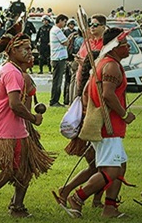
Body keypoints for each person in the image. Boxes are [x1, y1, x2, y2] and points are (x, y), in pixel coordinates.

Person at [0, 25, 53, 218]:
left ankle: (17, 207)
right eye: (27, 49)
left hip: (13, 128)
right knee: (9, 171)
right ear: (13, 50)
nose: (31, 52)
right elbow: (15, 104)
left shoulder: (9, 69)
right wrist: (33, 119)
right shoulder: (12, 72)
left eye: (31, 48)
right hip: (7, 129)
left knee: (25, 169)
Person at [65, 27, 135, 218]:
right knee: (111, 170)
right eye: (125, 44)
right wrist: (124, 114)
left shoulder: (102, 63)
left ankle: (109, 207)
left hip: (106, 124)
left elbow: (90, 91)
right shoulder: (110, 66)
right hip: (107, 126)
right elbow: (108, 94)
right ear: (114, 47)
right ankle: (77, 198)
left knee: (120, 166)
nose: (128, 48)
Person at [53, 50, 103, 209]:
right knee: (100, 167)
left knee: (98, 167)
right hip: (89, 129)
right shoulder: (93, 82)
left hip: (89, 128)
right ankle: (68, 191)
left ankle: (94, 200)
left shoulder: (91, 79)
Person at [49, 14, 69, 107]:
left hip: (56, 58)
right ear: (60, 20)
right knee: (57, 81)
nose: (65, 24)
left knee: (57, 80)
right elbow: (65, 42)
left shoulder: (55, 30)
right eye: (64, 21)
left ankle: (54, 100)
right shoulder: (57, 30)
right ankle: (54, 101)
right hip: (58, 58)